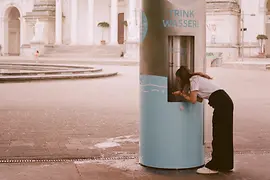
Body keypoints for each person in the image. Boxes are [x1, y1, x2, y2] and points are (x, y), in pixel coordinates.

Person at [172, 66, 234, 175]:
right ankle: (225, 165)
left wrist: (182, 94)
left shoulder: (193, 80)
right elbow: (200, 99)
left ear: (181, 77)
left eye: (178, 79)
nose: (178, 81)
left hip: (222, 104)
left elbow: (193, 100)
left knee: (219, 135)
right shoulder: (196, 78)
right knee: (225, 135)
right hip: (225, 102)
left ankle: (214, 166)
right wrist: (185, 94)